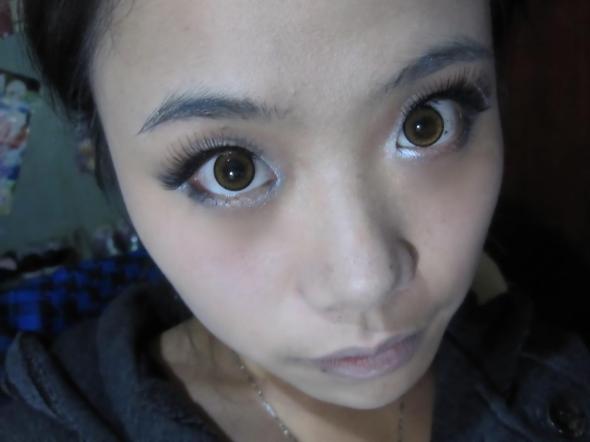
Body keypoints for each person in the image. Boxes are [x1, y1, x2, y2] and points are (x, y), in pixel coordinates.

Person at [1, 0, 589, 441]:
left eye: (426, 123)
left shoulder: (558, 311)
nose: (366, 282)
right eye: (231, 170)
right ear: (106, 158)